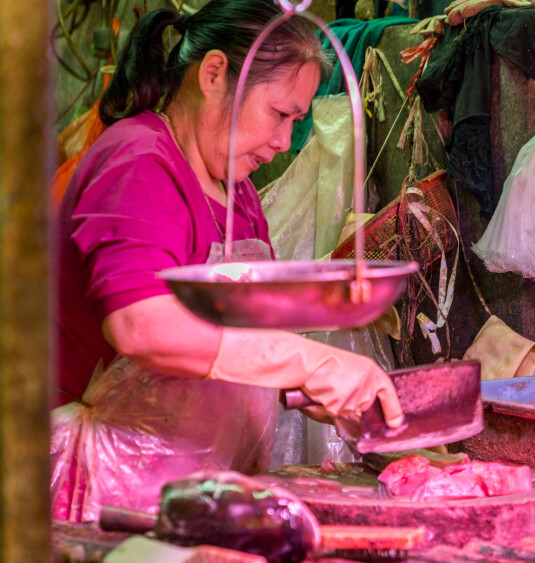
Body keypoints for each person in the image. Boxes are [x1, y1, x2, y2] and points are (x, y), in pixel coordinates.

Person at [51, 0, 402, 521]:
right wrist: (309, 362)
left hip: (191, 485)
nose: (284, 143)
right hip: (99, 486)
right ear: (214, 73)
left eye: (296, 121)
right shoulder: (138, 162)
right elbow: (141, 325)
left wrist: (316, 392)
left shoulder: (238, 197)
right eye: (279, 114)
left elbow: (231, 351)